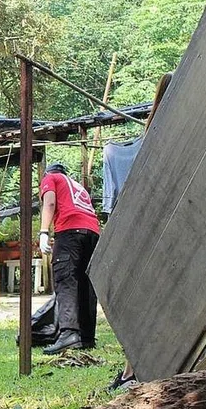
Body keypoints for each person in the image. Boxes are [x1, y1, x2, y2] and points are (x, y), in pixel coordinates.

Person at [105, 72, 172, 390]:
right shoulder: (158, 140)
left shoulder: (153, 139)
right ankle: (133, 370)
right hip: (157, 232)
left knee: (147, 302)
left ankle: (133, 370)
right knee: (153, 301)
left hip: (146, 233)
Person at [38, 162, 101, 354]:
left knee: (66, 281)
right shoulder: (77, 186)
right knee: (86, 284)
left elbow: (50, 202)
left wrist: (43, 232)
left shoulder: (51, 178)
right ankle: (86, 337)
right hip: (92, 233)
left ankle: (68, 334)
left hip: (70, 232)